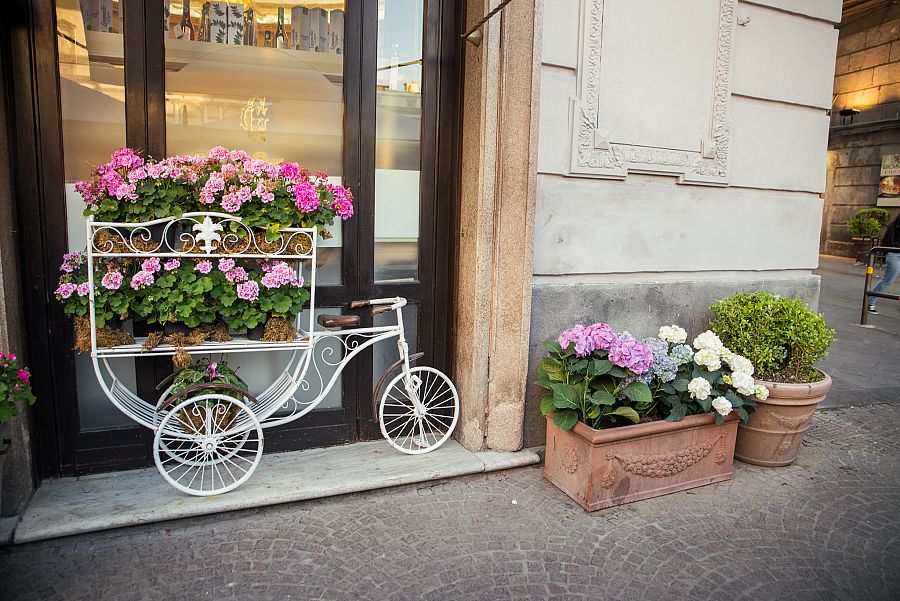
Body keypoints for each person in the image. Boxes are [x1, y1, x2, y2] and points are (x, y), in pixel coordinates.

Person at [868, 213, 900, 314]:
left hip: (894, 253)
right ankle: (870, 302)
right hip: (895, 254)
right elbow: (886, 240)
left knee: (887, 279)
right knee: (888, 279)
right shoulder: (894, 225)